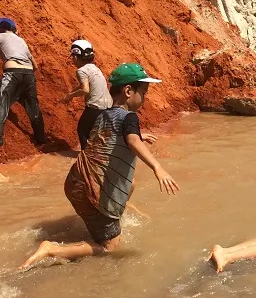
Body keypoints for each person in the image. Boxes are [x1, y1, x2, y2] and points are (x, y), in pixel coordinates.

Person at [19, 63, 179, 270]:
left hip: (75, 182)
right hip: (91, 191)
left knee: (129, 185)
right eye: (144, 92)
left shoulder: (103, 115)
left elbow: (110, 138)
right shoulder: (130, 117)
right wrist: (158, 168)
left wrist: (139, 136)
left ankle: (107, 219)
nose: (145, 98)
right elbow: (132, 141)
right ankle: (52, 249)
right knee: (110, 246)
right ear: (128, 91)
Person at [0, 17, 45, 147]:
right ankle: (41, 139)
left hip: (13, 72)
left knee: (2, 102)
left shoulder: (1, 36)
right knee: (33, 106)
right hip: (29, 74)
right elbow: (35, 66)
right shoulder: (22, 41)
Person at [61, 40, 112, 149]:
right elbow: (83, 85)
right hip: (107, 106)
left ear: (75, 57)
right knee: (98, 133)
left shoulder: (81, 71)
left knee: (82, 130)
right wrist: (70, 93)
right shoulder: (95, 68)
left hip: (95, 107)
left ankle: (86, 156)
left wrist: (70, 96)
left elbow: (85, 90)